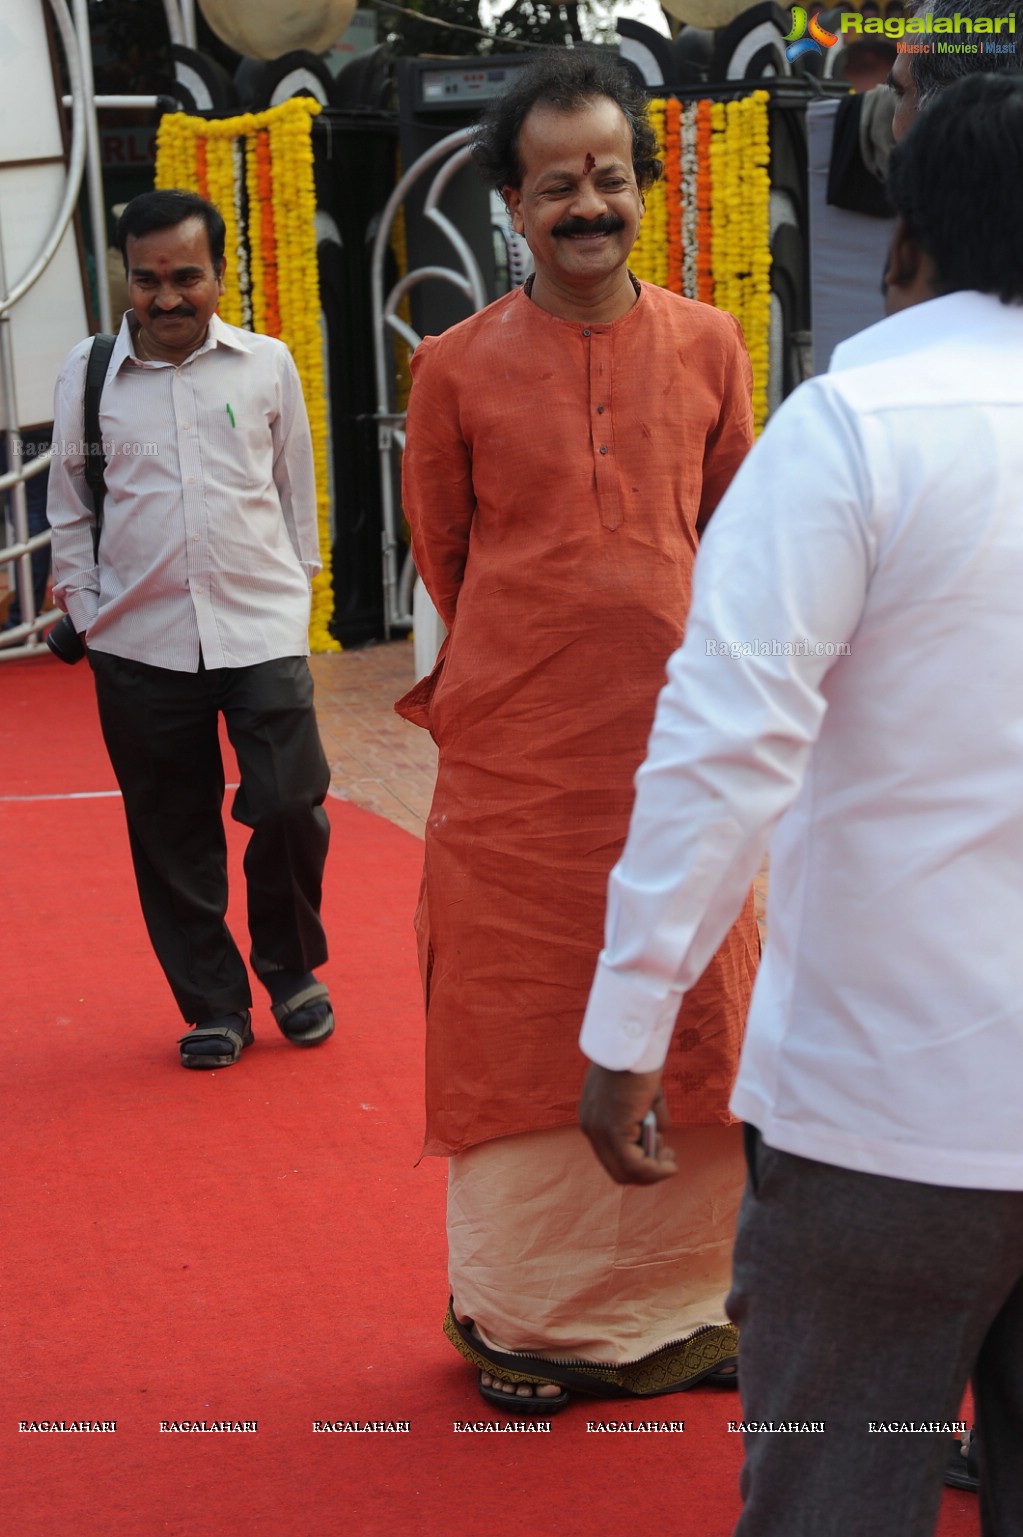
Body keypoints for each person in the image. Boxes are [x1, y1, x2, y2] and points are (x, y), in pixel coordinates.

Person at [579, 72, 1023, 1537]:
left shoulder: (854, 425)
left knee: (836, 1486)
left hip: (884, 1120)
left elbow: (723, 746)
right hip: (891, 1113)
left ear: (908, 238)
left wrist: (627, 1025)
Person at [397, 49, 759, 1413]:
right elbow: (447, 554)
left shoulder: (709, 345)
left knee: (700, 994)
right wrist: (541, 658)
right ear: (511, 202)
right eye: (557, 184)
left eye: (608, 176)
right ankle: (530, 1323)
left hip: (683, 748)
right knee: (518, 1015)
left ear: (642, 187)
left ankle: (689, 1311)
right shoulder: (449, 368)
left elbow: (732, 537)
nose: (587, 204)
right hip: (517, 770)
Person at [47, 189, 334, 1069]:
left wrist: (295, 598)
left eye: (185, 277)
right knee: (172, 830)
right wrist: (93, 618)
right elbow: (69, 507)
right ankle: (214, 1002)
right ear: (124, 278)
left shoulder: (265, 364)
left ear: (219, 273)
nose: (166, 298)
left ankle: (288, 967)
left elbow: (295, 494)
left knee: (289, 804)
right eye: (146, 280)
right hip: (140, 644)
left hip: (260, 631)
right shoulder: (89, 373)